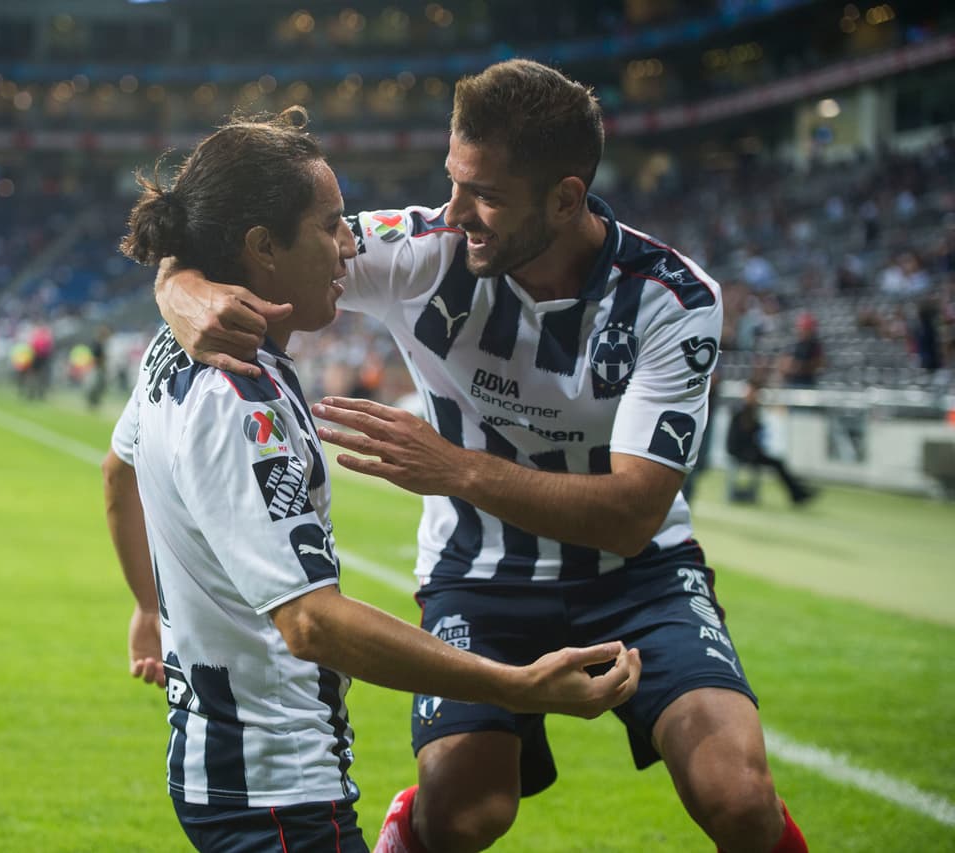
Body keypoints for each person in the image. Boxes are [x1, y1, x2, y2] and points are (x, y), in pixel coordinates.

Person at [157, 60, 807, 853]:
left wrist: (453, 467)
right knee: (469, 814)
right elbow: (238, 245)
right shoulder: (425, 248)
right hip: (479, 577)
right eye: (453, 181)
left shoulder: (673, 299)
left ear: (566, 197)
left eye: (486, 195)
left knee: (738, 796)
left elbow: (635, 513)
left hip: (640, 579)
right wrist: (177, 287)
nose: (455, 212)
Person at [102, 106, 642, 853]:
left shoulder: (178, 344)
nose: (350, 245)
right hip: (274, 791)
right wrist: (517, 687)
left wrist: (144, 603)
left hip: (226, 771)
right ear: (262, 248)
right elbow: (312, 622)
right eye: (329, 227)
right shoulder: (241, 400)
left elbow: (117, 471)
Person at [726, 380, 816, 505]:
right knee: (777, 463)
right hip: (742, 452)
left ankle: (798, 492)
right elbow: (739, 438)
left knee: (778, 463)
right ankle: (797, 493)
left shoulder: (752, 411)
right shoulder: (741, 411)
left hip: (751, 451)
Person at [779, 312, 823, 388]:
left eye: (807, 329)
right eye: (803, 329)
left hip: (807, 383)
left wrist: (801, 367)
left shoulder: (814, 345)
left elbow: (820, 364)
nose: (804, 332)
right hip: (790, 383)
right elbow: (783, 364)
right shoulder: (791, 344)